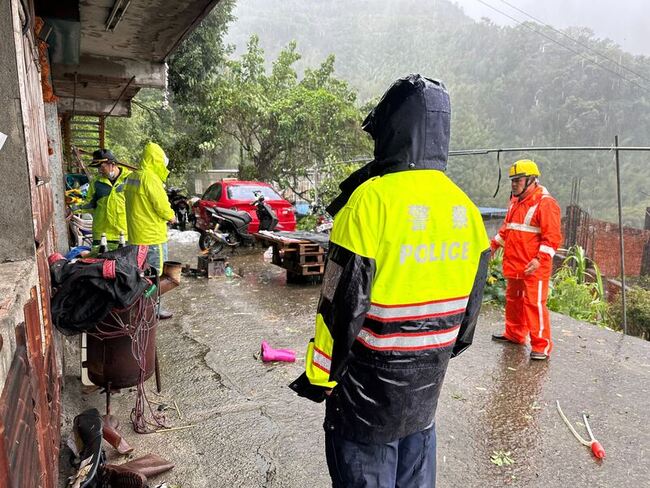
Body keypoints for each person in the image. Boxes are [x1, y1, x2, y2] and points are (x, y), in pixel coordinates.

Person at [289, 74, 490, 488]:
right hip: (424, 397)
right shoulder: (466, 210)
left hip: (365, 401)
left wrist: (320, 377)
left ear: (392, 130)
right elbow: (467, 327)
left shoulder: (368, 201)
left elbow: (338, 308)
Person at [490, 159, 562, 360]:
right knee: (514, 300)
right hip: (515, 263)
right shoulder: (515, 201)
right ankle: (514, 334)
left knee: (534, 304)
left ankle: (541, 346)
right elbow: (507, 229)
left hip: (534, 267)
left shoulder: (546, 204)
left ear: (532, 180)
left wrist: (539, 259)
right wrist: (493, 245)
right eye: (513, 180)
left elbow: (552, 238)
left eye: (518, 180)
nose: (514, 184)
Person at [124, 142, 176, 319]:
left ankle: (138, 306)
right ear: (156, 161)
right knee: (157, 274)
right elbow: (162, 206)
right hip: (152, 236)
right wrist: (171, 216)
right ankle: (154, 309)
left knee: (140, 274)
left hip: (135, 236)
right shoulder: (151, 179)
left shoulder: (133, 177)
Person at [72, 149, 131, 249]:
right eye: (98, 167)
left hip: (124, 234)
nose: (99, 170)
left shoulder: (129, 179)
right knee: (98, 263)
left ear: (112, 164)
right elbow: (89, 204)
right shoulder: (96, 182)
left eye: (102, 167)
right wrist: (73, 207)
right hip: (101, 234)